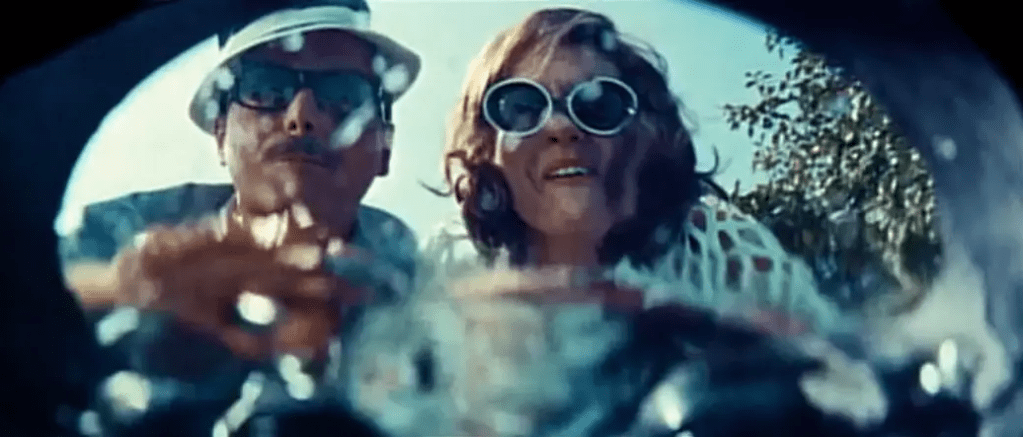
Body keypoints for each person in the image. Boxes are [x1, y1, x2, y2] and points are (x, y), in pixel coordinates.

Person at [344, 8, 885, 437]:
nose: (561, 127)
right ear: (488, 150)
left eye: (598, 104)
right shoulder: (445, 268)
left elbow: (850, 387)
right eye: (521, 107)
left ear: (642, 137)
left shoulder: (725, 252)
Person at [58, 0, 421, 372]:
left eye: (345, 95)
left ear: (385, 147)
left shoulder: (416, 280)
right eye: (265, 89)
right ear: (220, 133)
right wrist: (123, 289)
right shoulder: (121, 230)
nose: (301, 117)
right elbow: (31, 295)